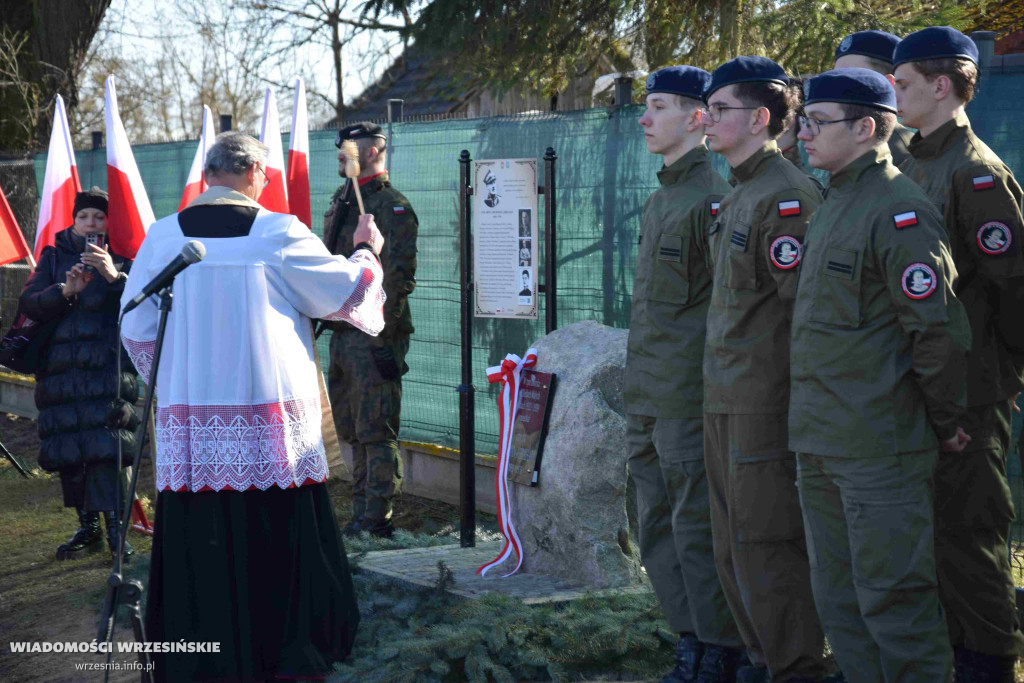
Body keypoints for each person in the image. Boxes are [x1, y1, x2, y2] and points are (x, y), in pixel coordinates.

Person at [121, 132, 384, 682]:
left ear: (210, 174)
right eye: (264, 174)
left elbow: (137, 326)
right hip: (268, 429)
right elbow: (345, 291)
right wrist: (366, 251)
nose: (266, 182)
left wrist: (176, 385)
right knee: (278, 539)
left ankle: (200, 654)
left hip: (195, 425)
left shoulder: (163, 236)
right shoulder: (276, 232)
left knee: (202, 544)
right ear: (251, 171)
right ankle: (284, 649)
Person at [791, 68, 972, 682]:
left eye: (817, 122)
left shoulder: (900, 210)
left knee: (895, 604)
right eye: (803, 120)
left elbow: (936, 332)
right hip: (820, 439)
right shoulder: (834, 202)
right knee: (839, 600)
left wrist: (945, 421)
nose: (803, 133)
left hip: (878, 445)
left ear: (865, 128)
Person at [894, 26, 1024, 682]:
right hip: (932, 384)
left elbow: (1015, 288)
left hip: (971, 389)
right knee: (937, 537)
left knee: (970, 539)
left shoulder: (975, 172)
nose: (894, 93)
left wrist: (997, 379)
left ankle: (990, 664)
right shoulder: (916, 161)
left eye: (904, 83)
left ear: (941, 85)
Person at [700, 56, 829, 683]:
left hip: (764, 402)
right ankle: (761, 661)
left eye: (719, 109)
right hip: (724, 395)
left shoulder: (785, 194)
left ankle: (794, 667)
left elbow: (805, 313)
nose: (707, 119)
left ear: (759, 119)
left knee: (766, 542)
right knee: (731, 544)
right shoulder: (740, 191)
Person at [628, 65, 744, 682]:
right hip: (647, 392)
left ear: (698, 118)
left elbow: (727, 312)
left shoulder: (713, 199)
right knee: (655, 525)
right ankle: (689, 638)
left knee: (696, 525)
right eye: (646, 107)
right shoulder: (661, 198)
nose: (645, 119)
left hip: (688, 397)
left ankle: (721, 646)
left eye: (660, 107)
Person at [18, 187, 138, 561]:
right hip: (60, 371)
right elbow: (29, 303)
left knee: (107, 448)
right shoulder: (53, 256)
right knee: (68, 449)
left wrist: (113, 276)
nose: (91, 223)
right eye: (84, 216)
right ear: (74, 220)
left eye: (99, 217)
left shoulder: (124, 258)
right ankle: (89, 529)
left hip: (106, 369)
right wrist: (64, 290)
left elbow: (141, 305)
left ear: (110, 222)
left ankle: (116, 532)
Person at [324, 121, 418, 539]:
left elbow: (397, 279)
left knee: (376, 428)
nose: (341, 155)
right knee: (350, 427)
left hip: (374, 334)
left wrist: (381, 335)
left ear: (374, 152)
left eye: (351, 149)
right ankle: (360, 511)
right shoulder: (342, 201)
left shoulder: (392, 206)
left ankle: (377, 518)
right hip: (344, 331)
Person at [833, 30, 916, 165]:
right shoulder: (820, 138)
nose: (836, 86)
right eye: (834, 77)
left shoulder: (906, 154)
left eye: (850, 77)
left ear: (887, 85)